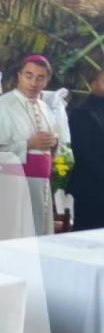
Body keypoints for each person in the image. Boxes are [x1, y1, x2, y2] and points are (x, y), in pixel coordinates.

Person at [0, 55, 61, 235]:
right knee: (13, 235)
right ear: (19, 75)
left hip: (41, 185)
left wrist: (54, 143)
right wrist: (27, 144)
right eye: (29, 75)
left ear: (47, 80)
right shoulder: (2, 107)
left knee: (38, 232)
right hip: (12, 184)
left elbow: (55, 142)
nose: (34, 82)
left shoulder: (45, 108)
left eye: (40, 77)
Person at [68, 70, 104, 230]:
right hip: (90, 185)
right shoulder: (81, 112)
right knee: (88, 232)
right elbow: (83, 151)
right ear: (93, 84)